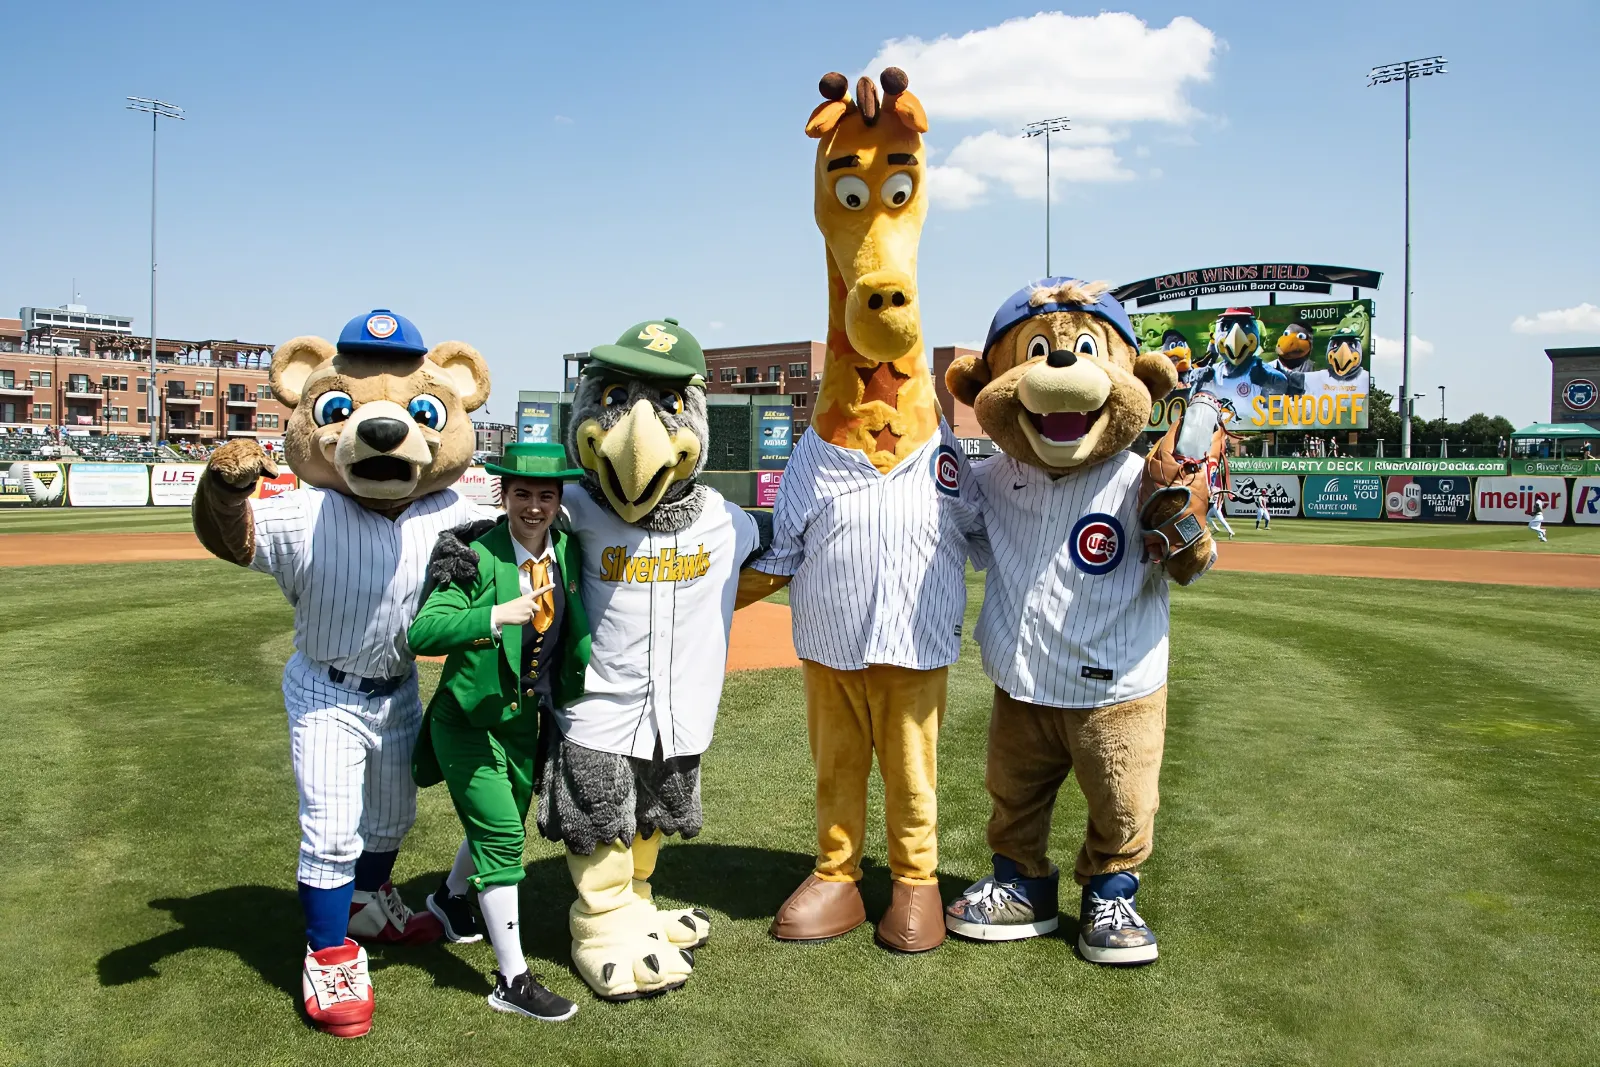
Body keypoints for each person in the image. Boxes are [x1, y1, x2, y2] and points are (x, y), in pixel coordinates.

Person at [408, 443, 586, 1021]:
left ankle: (449, 899)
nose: (533, 507)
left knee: (496, 829)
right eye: (523, 495)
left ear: (558, 500)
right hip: (465, 722)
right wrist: (492, 616)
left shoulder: (566, 549)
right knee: (505, 839)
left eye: (545, 495)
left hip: (520, 723)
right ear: (503, 495)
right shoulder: (472, 555)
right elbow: (424, 631)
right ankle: (512, 981)